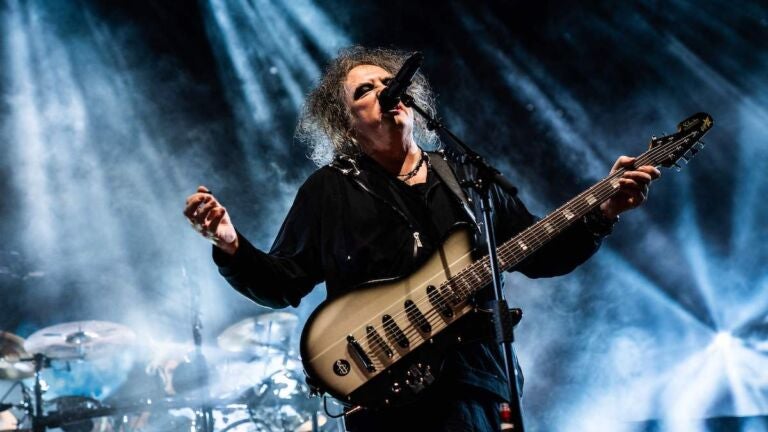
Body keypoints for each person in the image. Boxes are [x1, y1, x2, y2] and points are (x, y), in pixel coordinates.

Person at [184, 46, 660, 431]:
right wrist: (230, 243)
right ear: (345, 123)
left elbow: (540, 253)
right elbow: (281, 283)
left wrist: (601, 212)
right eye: (364, 91)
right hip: (385, 395)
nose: (383, 92)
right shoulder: (329, 190)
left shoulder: (466, 179)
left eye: (388, 84)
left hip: (475, 382)